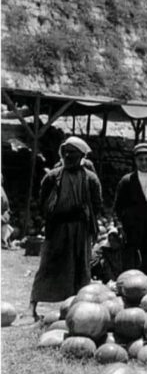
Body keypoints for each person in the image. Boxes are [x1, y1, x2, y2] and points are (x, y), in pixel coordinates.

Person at [29, 137, 103, 321]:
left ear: (81, 156)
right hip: (58, 228)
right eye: (66, 152)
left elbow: (97, 204)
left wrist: (88, 222)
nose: (69, 156)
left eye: (73, 153)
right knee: (48, 265)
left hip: (80, 229)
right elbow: (42, 201)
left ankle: (77, 309)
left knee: (80, 267)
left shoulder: (90, 178)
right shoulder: (53, 176)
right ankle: (33, 305)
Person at [113, 143, 147, 277]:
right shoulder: (126, 181)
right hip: (131, 228)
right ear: (135, 161)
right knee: (129, 263)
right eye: (140, 159)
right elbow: (117, 208)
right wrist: (119, 227)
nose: (144, 163)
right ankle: (127, 288)